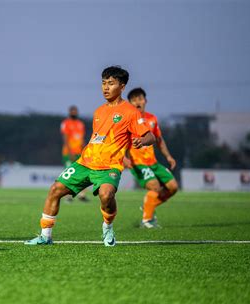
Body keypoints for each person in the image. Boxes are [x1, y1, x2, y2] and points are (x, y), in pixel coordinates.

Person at [25, 66, 155, 246]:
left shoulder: (131, 112)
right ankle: (45, 236)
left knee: (106, 195)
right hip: (85, 162)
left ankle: (107, 227)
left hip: (109, 166)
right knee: (55, 190)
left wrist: (143, 141)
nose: (105, 87)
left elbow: (150, 136)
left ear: (122, 87)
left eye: (111, 83)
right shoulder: (99, 111)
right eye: (103, 83)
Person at [124, 87, 178, 228]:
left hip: (153, 162)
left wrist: (168, 156)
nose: (137, 102)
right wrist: (124, 158)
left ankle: (148, 205)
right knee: (154, 186)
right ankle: (147, 220)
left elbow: (159, 140)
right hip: (138, 163)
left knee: (173, 187)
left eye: (140, 99)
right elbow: (120, 142)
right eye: (134, 100)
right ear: (129, 103)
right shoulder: (127, 121)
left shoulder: (152, 119)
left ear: (145, 101)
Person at [60, 105, 88, 202]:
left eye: (75, 111)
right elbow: (65, 139)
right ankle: (67, 196)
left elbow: (82, 139)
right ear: (69, 112)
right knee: (68, 174)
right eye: (72, 111)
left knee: (83, 174)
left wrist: (86, 150)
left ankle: (82, 195)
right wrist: (70, 152)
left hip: (79, 153)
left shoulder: (81, 124)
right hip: (69, 153)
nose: (74, 113)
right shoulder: (66, 123)